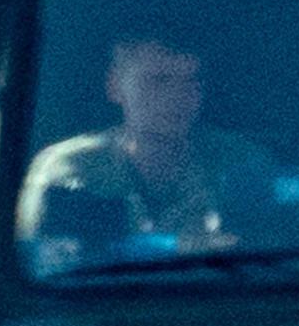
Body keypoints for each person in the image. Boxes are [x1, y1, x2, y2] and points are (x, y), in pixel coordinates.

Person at [18, 24, 281, 270]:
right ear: (115, 87)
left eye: (191, 81)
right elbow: (50, 258)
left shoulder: (240, 161)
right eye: (159, 81)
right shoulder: (72, 167)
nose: (178, 97)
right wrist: (176, 247)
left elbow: (265, 251)